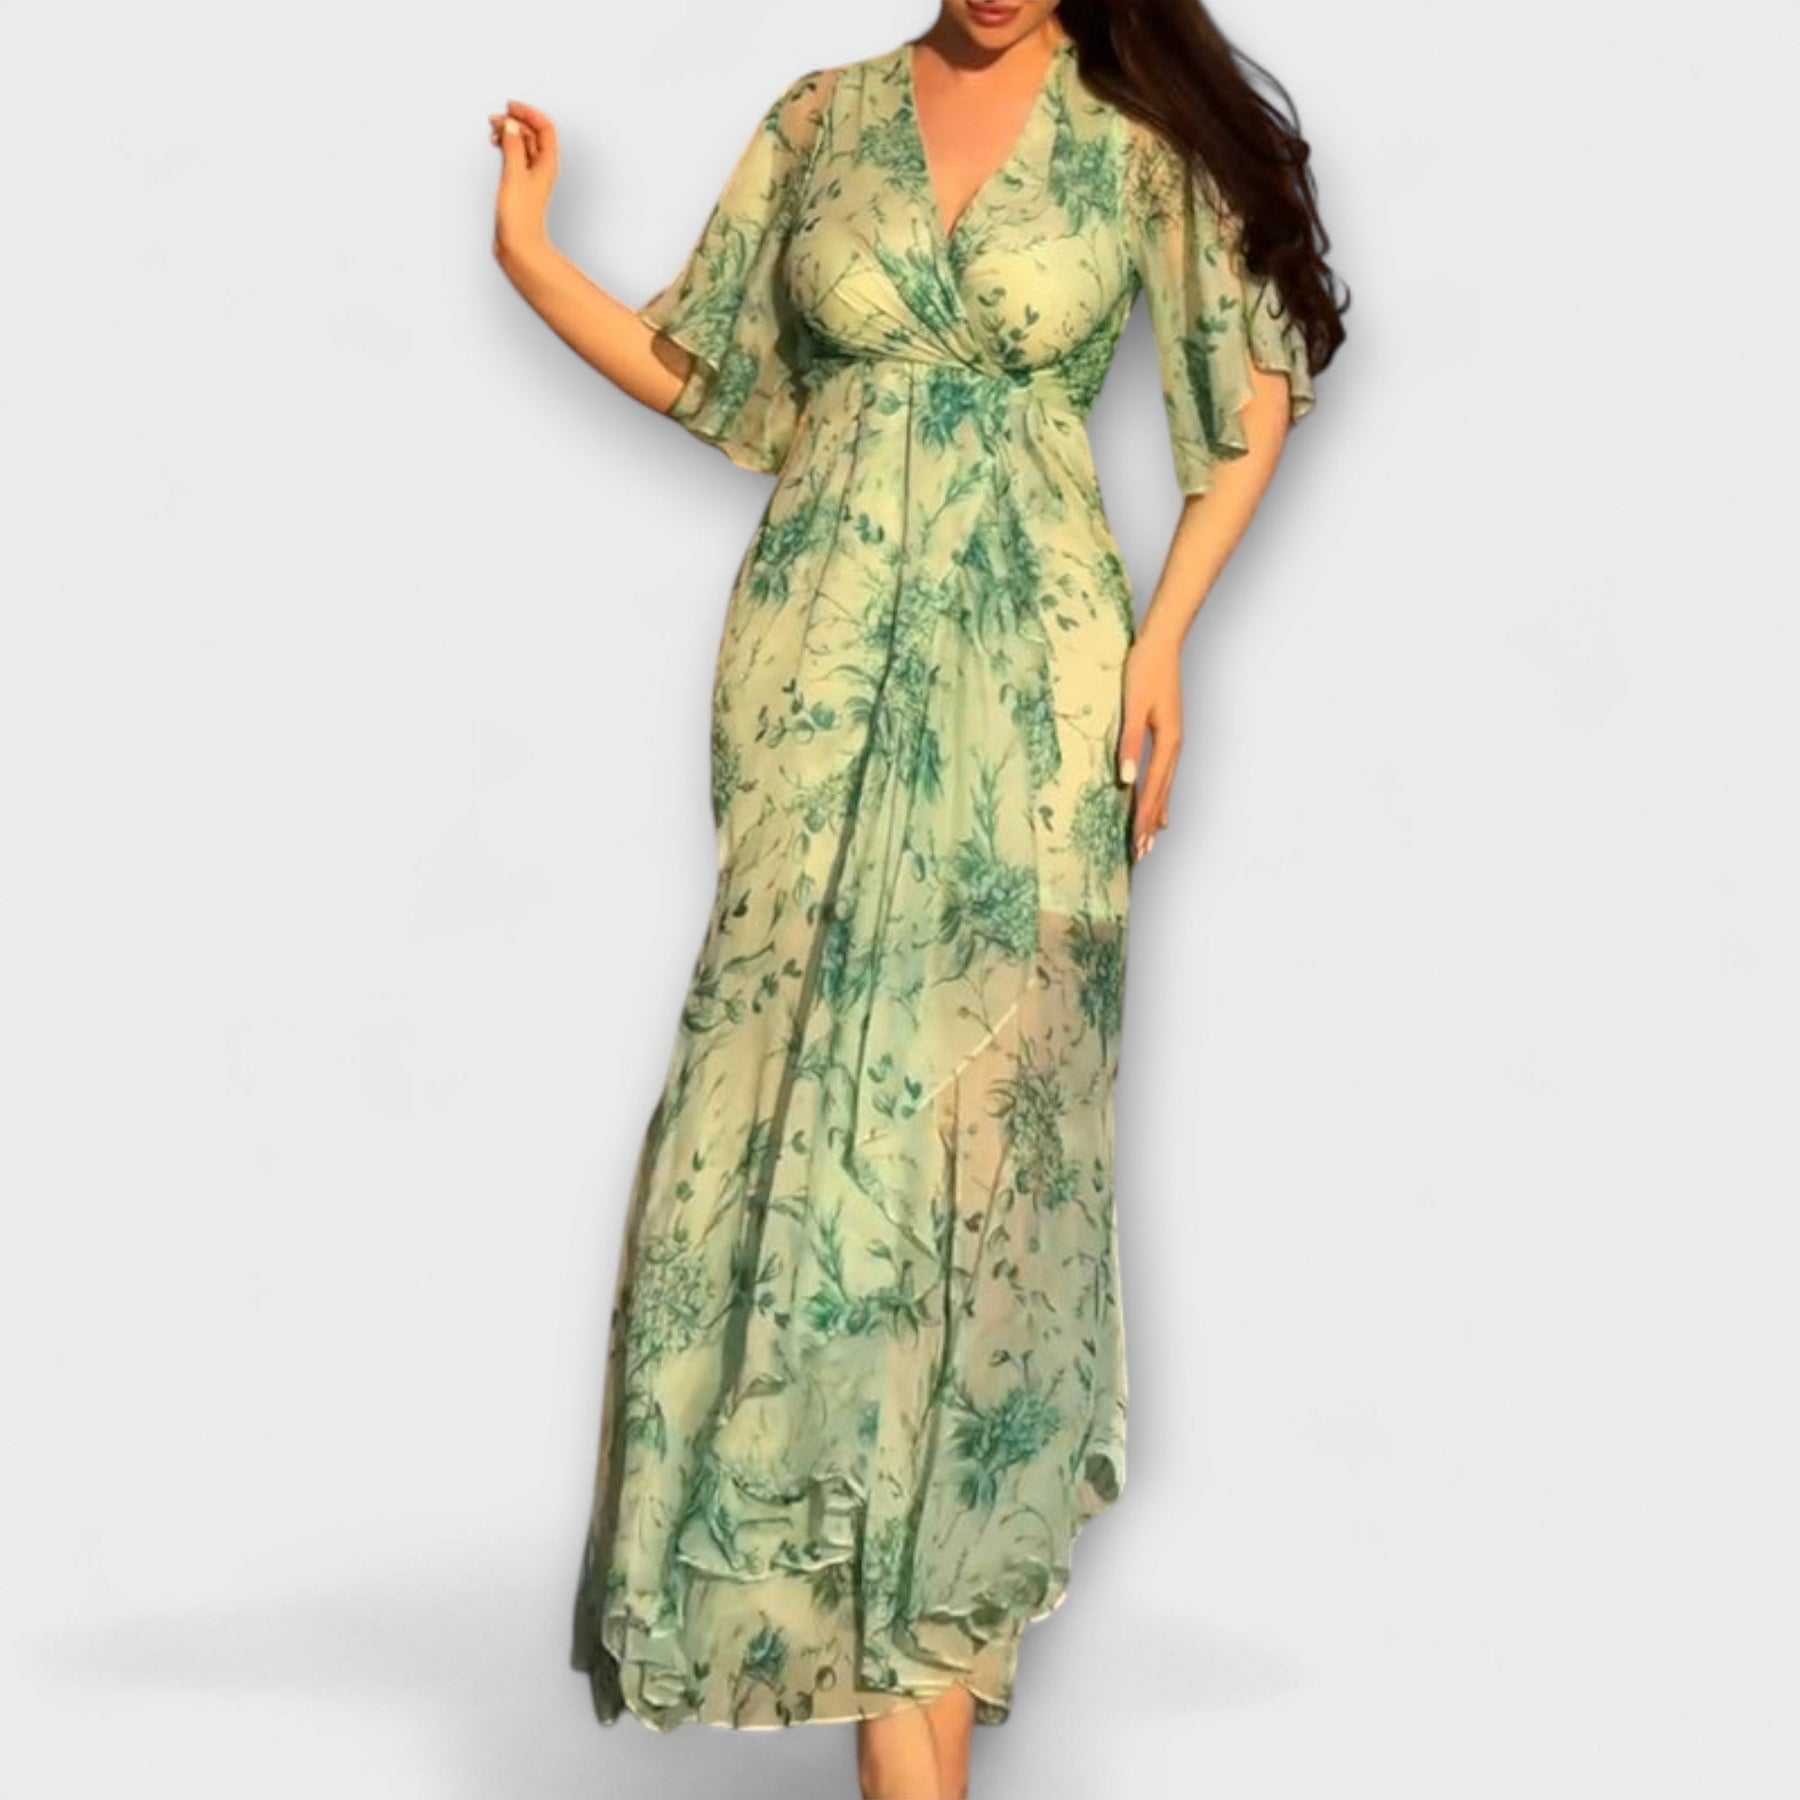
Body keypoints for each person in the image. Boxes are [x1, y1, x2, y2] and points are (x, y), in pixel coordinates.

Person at [489, 3, 1345, 1794]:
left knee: (974, 1174)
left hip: (1036, 686)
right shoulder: (820, 122)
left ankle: (919, 1688)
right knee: (802, 1154)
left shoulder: (1130, 144)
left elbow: (1249, 394)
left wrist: (1167, 641)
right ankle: (899, 1705)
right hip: (809, 680)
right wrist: (531, 255)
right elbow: (705, 373)